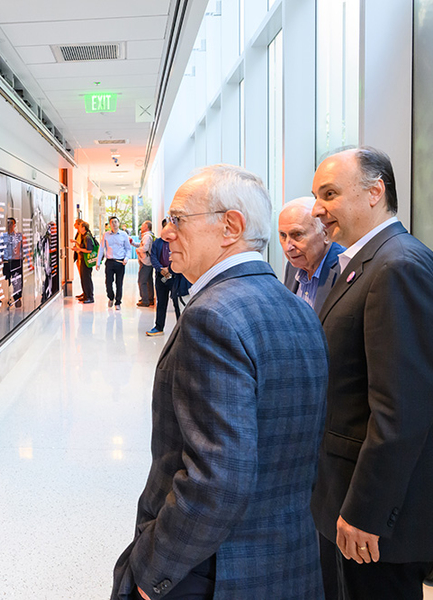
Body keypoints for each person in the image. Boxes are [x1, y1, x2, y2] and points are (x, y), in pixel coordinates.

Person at [111, 165, 328, 600]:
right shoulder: (297, 307)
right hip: (287, 563)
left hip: (214, 571)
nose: (166, 234)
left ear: (230, 226)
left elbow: (216, 477)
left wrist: (153, 573)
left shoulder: (213, 316)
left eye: (177, 220)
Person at [310, 147, 433, 600]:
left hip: (369, 517)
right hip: (340, 496)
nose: (318, 208)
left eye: (330, 193)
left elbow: (401, 409)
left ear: (374, 192)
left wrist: (366, 511)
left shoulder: (397, 266)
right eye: (316, 195)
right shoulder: (364, 264)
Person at [278, 196, 345, 314]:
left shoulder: (345, 267)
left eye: (297, 234)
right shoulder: (293, 266)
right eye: (283, 235)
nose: (288, 247)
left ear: (325, 235)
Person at [145, 220, 181, 336]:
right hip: (161, 277)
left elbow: (180, 257)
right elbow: (153, 257)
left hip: (175, 276)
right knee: (161, 302)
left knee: (177, 303)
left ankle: (181, 328)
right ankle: (159, 327)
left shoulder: (177, 241)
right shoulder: (157, 243)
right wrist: (161, 269)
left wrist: (170, 269)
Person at [95, 216, 131, 310]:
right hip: (110, 262)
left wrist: (126, 258)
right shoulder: (106, 235)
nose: (114, 224)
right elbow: (101, 248)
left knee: (119, 283)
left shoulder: (123, 235)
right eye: (112, 222)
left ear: (118, 223)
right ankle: (111, 297)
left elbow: (128, 249)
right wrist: (98, 262)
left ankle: (118, 302)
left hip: (120, 262)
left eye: (115, 222)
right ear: (109, 225)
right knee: (108, 283)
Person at [1, 217, 24, 308]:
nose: (9, 225)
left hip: (16, 261)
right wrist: (0, 258)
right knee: (7, 279)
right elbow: (0, 248)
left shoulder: (18, 236)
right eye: (8, 223)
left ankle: (17, 298)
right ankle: (9, 297)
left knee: (17, 281)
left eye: (11, 223)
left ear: (14, 225)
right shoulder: (3, 236)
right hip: (7, 261)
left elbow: (22, 247)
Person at [71, 220, 95, 304]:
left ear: (83, 228)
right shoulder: (85, 236)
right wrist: (76, 244)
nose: (79, 228)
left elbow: (89, 250)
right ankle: (85, 295)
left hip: (86, 261)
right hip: (83, 260)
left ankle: (89, 297)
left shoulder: (87, 237)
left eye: (80, 226)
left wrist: (79, 249)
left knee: (86, 279)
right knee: (84, 279)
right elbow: (82, 246)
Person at [135, 221, 155, 307]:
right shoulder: (150, 235)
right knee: (148, 280)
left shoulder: (146, 236)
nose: (141, 227)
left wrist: (138, 250)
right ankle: (150, 298)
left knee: (142, 281)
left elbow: (145, 248)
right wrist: (133, 243)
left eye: (142, 226)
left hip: (145, 261)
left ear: (146, 227)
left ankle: (145, 300)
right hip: (150, 261)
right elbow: (141, 245)